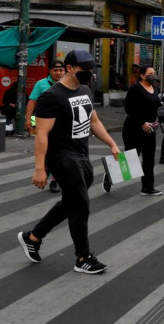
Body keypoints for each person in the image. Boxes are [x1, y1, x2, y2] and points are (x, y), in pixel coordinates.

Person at [19, 49, 121, 275]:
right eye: (84, 69)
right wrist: (39, 168)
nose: (88, 73)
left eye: (91, 69)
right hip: (62, 157)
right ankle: (83, 257)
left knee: (71, 202)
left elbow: (93, 120)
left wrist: (112, 143)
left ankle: (33, 237)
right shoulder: (51, 96)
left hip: (82, 154)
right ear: (69, 68)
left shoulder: (85, 90)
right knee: (80, 205)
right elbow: (42, 135)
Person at [114, 65, 164, 196]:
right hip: (133, 128)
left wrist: (161, 120)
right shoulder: (135, 88)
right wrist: (142, 123)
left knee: (149, 159)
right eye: (149, 73)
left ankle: (148, 187)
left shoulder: (155, 88)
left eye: (154, 72)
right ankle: (109, 177)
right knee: (131, 160)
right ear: (142, 75)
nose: (153, 75)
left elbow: (157, 106)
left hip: (150, 130)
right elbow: (129, 108)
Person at [25, 60, 65, 133]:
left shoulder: (68, 83)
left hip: (63, 121)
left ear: (64, 71)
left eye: (61, 70)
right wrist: (28, 120)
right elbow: (32, 102)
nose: (58, 73)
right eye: (55, 70)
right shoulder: (40, 84)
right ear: (50, 71)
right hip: (44, 120)